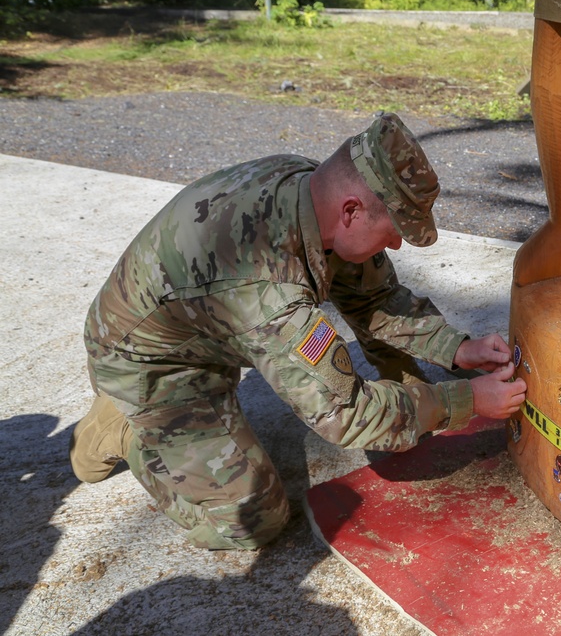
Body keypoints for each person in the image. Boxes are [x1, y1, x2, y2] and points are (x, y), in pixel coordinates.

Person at [70, 112, 527, 550]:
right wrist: (466, 402)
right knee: (254, 522)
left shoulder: (310, 189)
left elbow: (372, 298)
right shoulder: (265, 286)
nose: (396, 244)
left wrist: (456, 349)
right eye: (395, 230)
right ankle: (122, 426)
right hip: (145, 359)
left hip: (203, 325)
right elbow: (346, 416)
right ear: (351, 210)